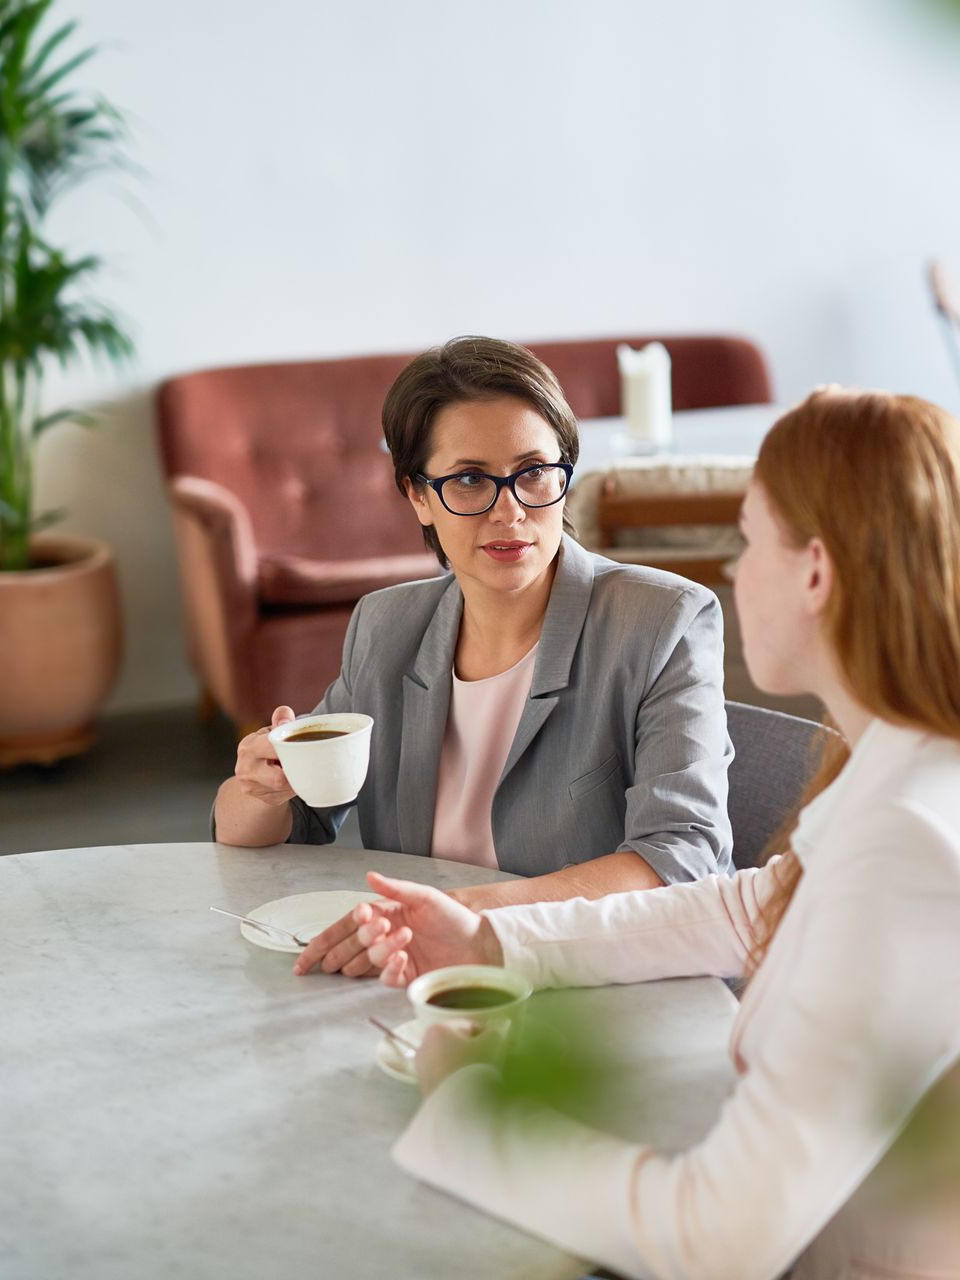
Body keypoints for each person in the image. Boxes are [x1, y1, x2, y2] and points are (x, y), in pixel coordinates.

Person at [348, 388, 960, 1278]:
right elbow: (750, 905)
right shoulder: (936, 769)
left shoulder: (920, 846)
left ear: (815, 571)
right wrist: (492, 938)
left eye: (747, 538)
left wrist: (467, 1114)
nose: (735, 572)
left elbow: (715, 1240)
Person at [211, 336, 734, 978]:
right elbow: (290, 827)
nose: (509, 510)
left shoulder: (662, 623)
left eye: (534, 471)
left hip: (604, 985)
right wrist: (257, 790)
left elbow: (680, 859)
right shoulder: (387, 626)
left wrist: (463, 918)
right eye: (468, 479)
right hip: (433, 984)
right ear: (418, 495)